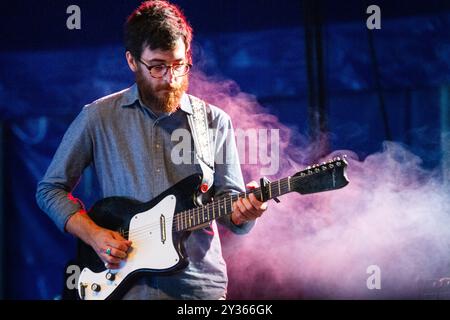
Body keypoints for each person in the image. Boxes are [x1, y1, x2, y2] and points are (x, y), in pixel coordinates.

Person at [36, 0, 267, 300]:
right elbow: (49, 190)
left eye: (178, 66)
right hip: (126, 289)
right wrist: (94, 235)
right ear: (132, 61)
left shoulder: (214, 122)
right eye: (157, 67)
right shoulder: (98, 117)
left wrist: (245, 212)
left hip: (196, 290)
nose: (170, 79)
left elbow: (232, 212)